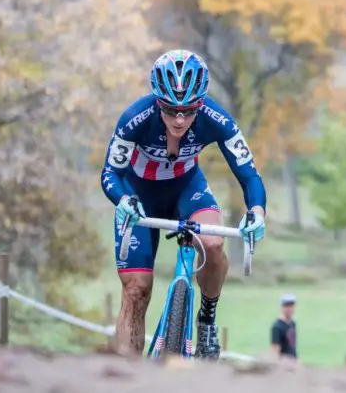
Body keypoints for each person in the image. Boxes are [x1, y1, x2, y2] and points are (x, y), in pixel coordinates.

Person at [100, 49, 267, 360]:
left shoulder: (218, 119)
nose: (179, 119)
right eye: (170, 110)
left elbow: (249, 175)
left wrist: (256, 213)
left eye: (189, 111)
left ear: (201, 104)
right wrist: (123, 200)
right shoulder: (135, 117)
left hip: (186, 188)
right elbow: (111, 172)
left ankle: (206, 321)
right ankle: (126, 375)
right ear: (157, 102)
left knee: (214, 243)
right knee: (136, 289)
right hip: (139, 196)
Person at [270, 293, 298, 362]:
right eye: (287, 306)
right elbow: (275, 349)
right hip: (284, 364)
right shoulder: (277, 326)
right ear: (282, 308)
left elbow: (292, 345)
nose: (289, 309)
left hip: (293, 361)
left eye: (291, 306)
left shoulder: (292, 323)